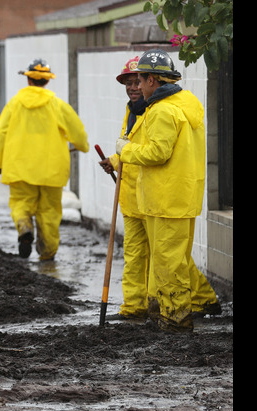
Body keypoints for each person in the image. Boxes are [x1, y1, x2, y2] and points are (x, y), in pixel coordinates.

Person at [116, 49, 221, 332]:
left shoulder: (163, 110)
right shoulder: (185, 104)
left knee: (168, 263)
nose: (138, 84)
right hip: (178, 196)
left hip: (164, 198)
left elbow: (157, 153)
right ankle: (162, 310)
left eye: (141, 78)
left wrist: (125, 151)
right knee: (170, 259)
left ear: (152, 80)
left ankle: (175, 318)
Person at [0, 59, 89, 261]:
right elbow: (77, 132)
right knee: (49, 212)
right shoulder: (57, 105)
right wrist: (82, 146)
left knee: (21, 203)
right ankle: (47, 253)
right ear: (46, 81)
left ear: (28, 80)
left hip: (19, 167)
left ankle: (24, 225)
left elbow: (1, 132)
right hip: (51, 169)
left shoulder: (14, 104)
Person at [99, 57, 151, 320]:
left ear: (147, 82)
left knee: (161, 259)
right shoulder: (131, 110)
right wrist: (114, 161)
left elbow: (149, 153)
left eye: (137, 81)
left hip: (151, 197)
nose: (133, 87)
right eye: (128, 83)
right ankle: (133, 306)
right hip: (131, 197)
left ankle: (198, 299)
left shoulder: (153, 112)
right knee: (133, 255)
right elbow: (128, 148)